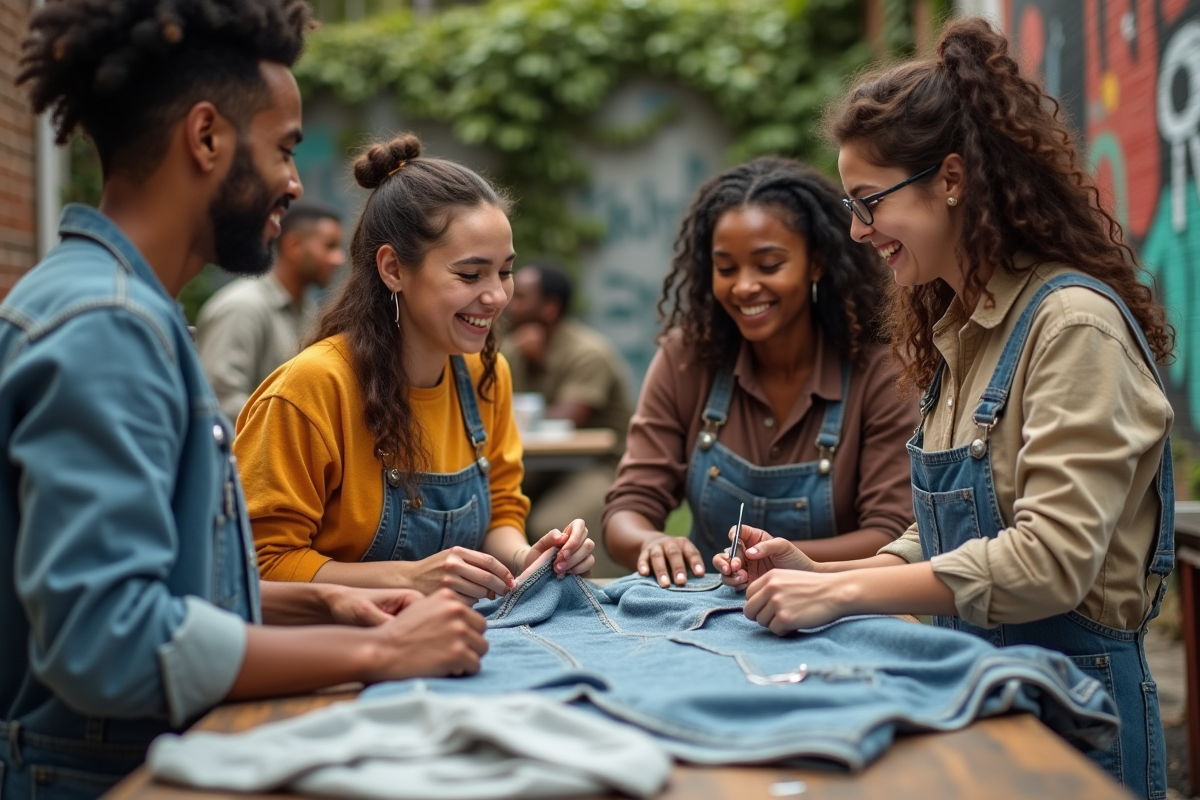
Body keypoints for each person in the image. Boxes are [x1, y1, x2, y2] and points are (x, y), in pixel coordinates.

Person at [1, 4, 488, 799]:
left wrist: (321, 601)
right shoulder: (107, 329)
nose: (295, 185)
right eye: (285, 149)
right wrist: (378, 654)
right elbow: (108, 640)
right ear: (206, 138)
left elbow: (174, 593)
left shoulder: (123, 307)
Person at [726, 18, 1174, 797]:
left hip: (1077, 719)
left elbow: (1052, 561)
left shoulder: (1071, 327)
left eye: (870, 202)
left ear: (953, 180)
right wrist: (825, 568)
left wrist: (840, 591)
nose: (860, 232)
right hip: (979, 693)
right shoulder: (958, 330)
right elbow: (943, 533)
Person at [235, 133, 595, 600]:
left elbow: (502, 511)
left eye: (504, 271)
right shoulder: (311, 389)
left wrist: (530, 558)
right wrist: (408, 578)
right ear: (393, 269)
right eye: (470, 274)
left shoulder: (488, 375)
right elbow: (257, 566)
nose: (496, 296)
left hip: (455, 643)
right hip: (338, 659)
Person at [603, 156, 919, 587]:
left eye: (769, 265)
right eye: (726, 268)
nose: (744, 286)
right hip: (703, 613)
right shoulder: (687, 358)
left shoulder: (881, 372)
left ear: (817, 262)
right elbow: (628, 508)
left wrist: (773, 560)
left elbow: (891, 535)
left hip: (835, 611)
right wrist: (651, 542)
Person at [502, 260, 633, 576]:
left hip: (599, 466)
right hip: (539, 468)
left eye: (521, 298)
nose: (508, 304)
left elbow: (568, 418)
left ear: (550, 307)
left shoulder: (588, 352)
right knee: (484, 516)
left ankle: (596, 596)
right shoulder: (512, 351)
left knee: (550, 523)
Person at [196, 201, 345, 418]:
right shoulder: (242, 308)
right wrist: (289, 430)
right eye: (329, 246)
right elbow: (219, 401)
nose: (339, 258)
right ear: (293, 246)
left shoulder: (307, 311)